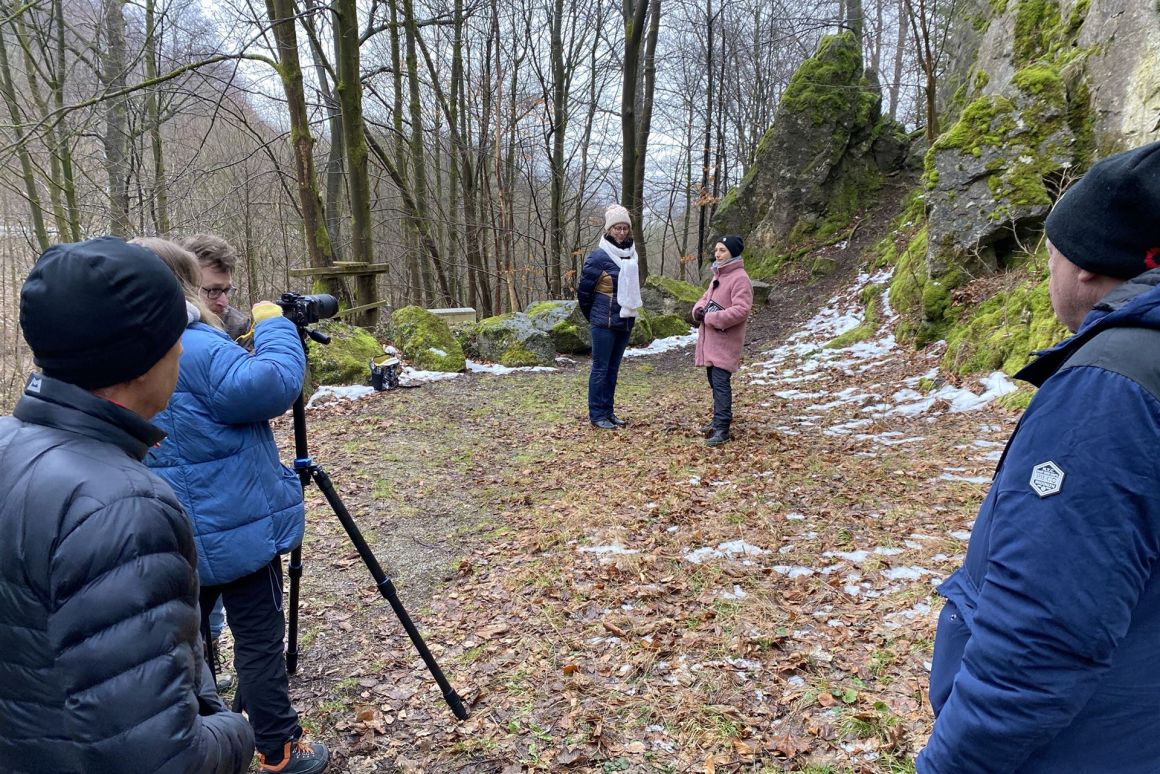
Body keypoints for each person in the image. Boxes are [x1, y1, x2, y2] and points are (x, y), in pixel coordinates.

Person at [919, 140, 1160, 773]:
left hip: (1092, 745)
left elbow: (1042, 640)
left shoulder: (1113, 388)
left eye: (1049, 253)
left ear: (1085, 264)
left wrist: (949, 764)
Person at [0, 237, 254, 772]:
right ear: (141, 361)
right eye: (173, 338)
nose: (183, 350)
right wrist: (236, 732)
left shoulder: (7, 444)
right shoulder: (123, 508)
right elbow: (163, 758)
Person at [140, 237, 329, 774]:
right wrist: (274, 327)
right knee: (260, 640)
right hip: (238, 528)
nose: (219, 301)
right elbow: (271, 384)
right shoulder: (195, 344)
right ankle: (278, 746)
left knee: (184, 644)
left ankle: (200, 740)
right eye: (208, 291)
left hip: (168, 532)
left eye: (226, 292)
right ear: (183, 285)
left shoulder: (124, 347)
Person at [576, 204, 642, 429]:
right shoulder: (598, 257)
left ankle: (609, 412)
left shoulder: (632, 256)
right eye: (617, 228)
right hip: (603, 323)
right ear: (609, 230)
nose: (621, 232)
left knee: (613, 369)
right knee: (600, 369)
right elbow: (584, 294)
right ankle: (597, 415)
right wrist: (595, 317)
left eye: (625, 228)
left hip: (625, 320)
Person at [692, 235, 753, 447]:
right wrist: (698, 310)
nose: (717, 254)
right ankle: (717, 420)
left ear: (733, 253)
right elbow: (706, 298)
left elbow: (741, 310)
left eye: (722, 250)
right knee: (714, 382)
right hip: (711, 342)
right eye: (717, 250)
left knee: (720, 384)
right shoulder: (718, 274)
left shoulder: (739, 278)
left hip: (725, 341)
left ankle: (722, 428)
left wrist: (711, 318)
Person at [180, 232, 252, 344]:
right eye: (214, 291)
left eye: (227, 290)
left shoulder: (239, 328)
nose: (224, 302)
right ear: (184, 286)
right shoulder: (158, 327)